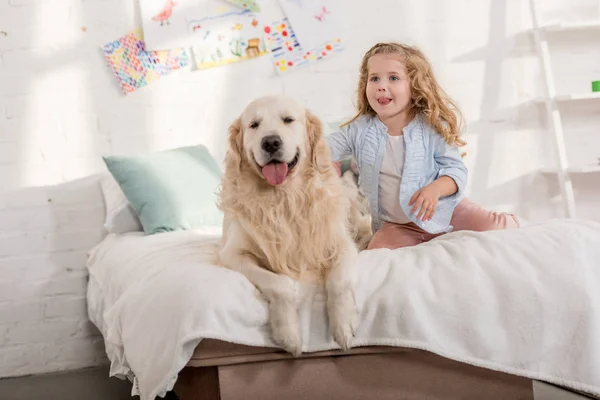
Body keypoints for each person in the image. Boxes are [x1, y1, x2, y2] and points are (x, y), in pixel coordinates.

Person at [326, 42, 519, 250]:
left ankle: (509, 220)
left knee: (493, 226)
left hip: (446, 211)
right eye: (374, 78)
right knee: (377, 252)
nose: (382, 85)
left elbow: (456, 171)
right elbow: (323, 149)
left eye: (393, 78)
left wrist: (435, 190)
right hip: (399, 225)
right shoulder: (359, 130)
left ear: (415, 87)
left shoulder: (430, 126)